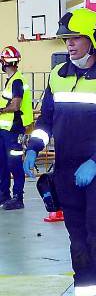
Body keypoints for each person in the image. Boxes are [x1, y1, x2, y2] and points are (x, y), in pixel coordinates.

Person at [24, 8, 96, 296]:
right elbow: (46, 119)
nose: (69, 44)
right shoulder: (57, 76)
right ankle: (85, 289)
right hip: (64, 172)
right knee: (78, 239)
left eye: (76, 38)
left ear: (94, 40)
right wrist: (34, 147)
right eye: (67, 40)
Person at [0, 46, 33, 210]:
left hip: (14, 131)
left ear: (3, 62)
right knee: (3, 164)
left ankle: (18, 197)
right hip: (5, 131)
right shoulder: (11, 80)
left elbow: (15, 105)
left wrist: (0, 110)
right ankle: (4, 195)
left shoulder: (17, 81)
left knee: (14, 165)